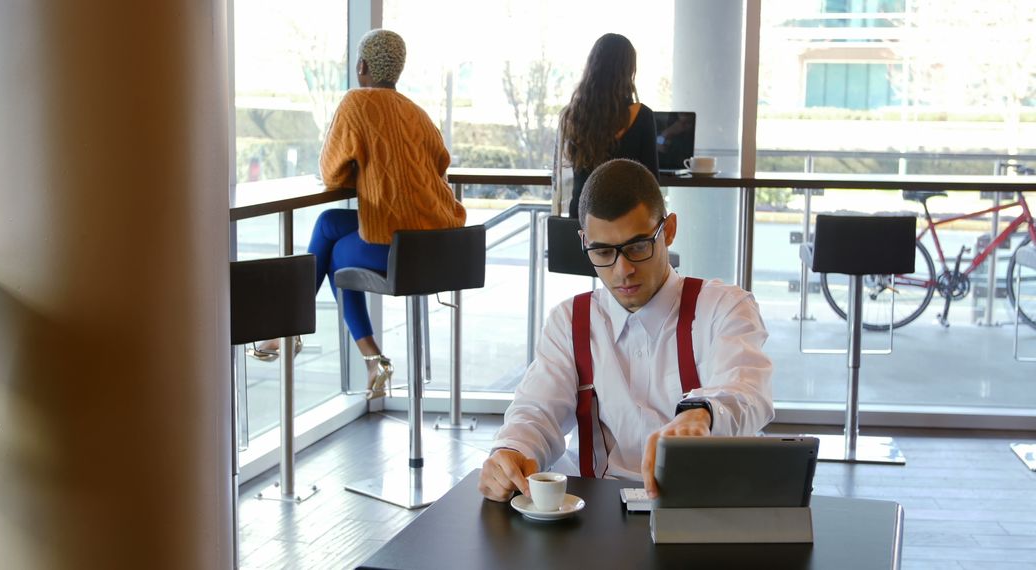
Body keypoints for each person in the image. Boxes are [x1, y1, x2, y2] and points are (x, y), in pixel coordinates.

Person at [479, 159, 773, 501]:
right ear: (584, 241)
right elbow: (537, 411)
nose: (623, 270)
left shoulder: (725, 307)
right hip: (598, 515)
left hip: (703, 512)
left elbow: (749, 391)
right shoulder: (569, 320)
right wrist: (511, 450)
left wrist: (702, 412)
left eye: (637, 247)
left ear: (670, 229)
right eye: (603, 251)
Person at [250, 29, 466, 400]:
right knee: (329, 223)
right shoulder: (417, 112)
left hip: (402, 248)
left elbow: (332, 172)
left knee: (334, 255)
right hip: (443, 243)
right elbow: (441, 165)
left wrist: (364, 171)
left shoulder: (357, 102)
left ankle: (293, 331)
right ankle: (365, 358)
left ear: (362, 65)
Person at [556, 33, 659, 219]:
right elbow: (652, 183)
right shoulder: (642, 116)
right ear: (629, 70)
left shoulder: (572, 115)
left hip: (581, 221)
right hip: (627, 224)